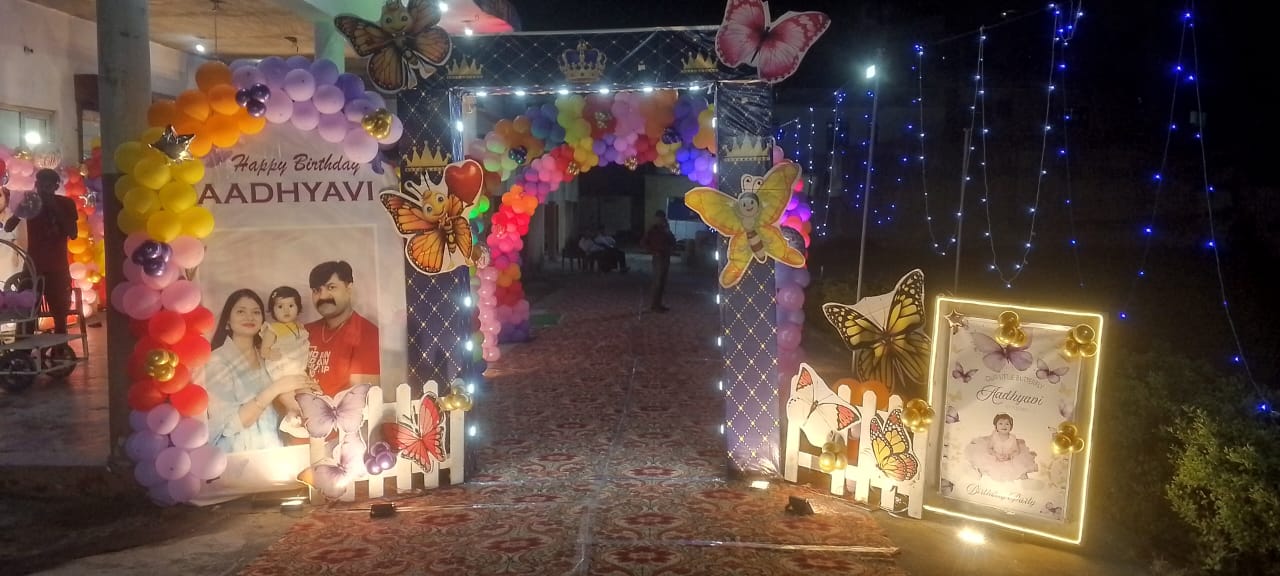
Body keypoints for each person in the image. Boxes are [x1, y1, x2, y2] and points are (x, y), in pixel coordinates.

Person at [204, 289, 311, 453]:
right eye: (241, 311)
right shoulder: (216, 360)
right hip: (236, 454)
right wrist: (276, 388)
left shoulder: (268, 356)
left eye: (256, 312)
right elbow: (228, 426)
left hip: (274, 450)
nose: (250, 317)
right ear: (227, 321)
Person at [3, 169, 77, 334]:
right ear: (36, 185)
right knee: (26, 311)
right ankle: (24, 347)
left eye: (48, 186)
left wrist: (54, 207)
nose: (43, 190)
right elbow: (9, 227)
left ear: (55, 187)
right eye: (40, 185)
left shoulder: (66, 204)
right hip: (33, 266)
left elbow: (73, 233)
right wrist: (22, 210)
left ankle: (60, 347)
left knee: (60, 313)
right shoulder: (31, 203)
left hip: (57, 267)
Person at [305, 261, 380, 397]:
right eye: (316, 290)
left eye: (331, 287)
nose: (323, 296)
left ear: (349, 289)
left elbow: (361, 398)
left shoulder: (367, 334)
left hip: (339, 411)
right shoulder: (304, 332)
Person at [260, 286, 312, 439]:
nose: (286, 310)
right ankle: (290, 422)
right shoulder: (273, 329)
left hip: (297, 369)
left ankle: (309, 422)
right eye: (280, 306)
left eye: (291, 305)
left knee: (308, 396)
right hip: (281, 370)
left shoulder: (299, 327)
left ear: (298, 308)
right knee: (290, 399)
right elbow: (264, 350)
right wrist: (270, 353)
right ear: (272, 310)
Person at [964, 413, 1039, 482]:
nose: (1004, 426)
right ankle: (977, 472)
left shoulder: (1012, 438)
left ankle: (1027, 482)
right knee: (985, 465)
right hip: (995, 456)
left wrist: (1009, 456)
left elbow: (1017, 451)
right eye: (1000, 423)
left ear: (1011, 427)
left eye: (1007, 424)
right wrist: (996, 454)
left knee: (1019, 470)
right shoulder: (994, 436)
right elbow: (989, 448)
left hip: (1008, 458)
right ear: (996, 426)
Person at [641, 210, 676, 312]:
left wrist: (668, 232)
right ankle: (654, 305)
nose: (661, 220)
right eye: (659, 218)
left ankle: (658, 304)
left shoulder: (666, 230)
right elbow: (643, 242)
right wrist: (653, 251)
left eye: (662, 218)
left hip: (665, 256)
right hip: (658, 256)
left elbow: (673, 241)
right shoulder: (653, 229)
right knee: (658, 281)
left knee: (663, 281)